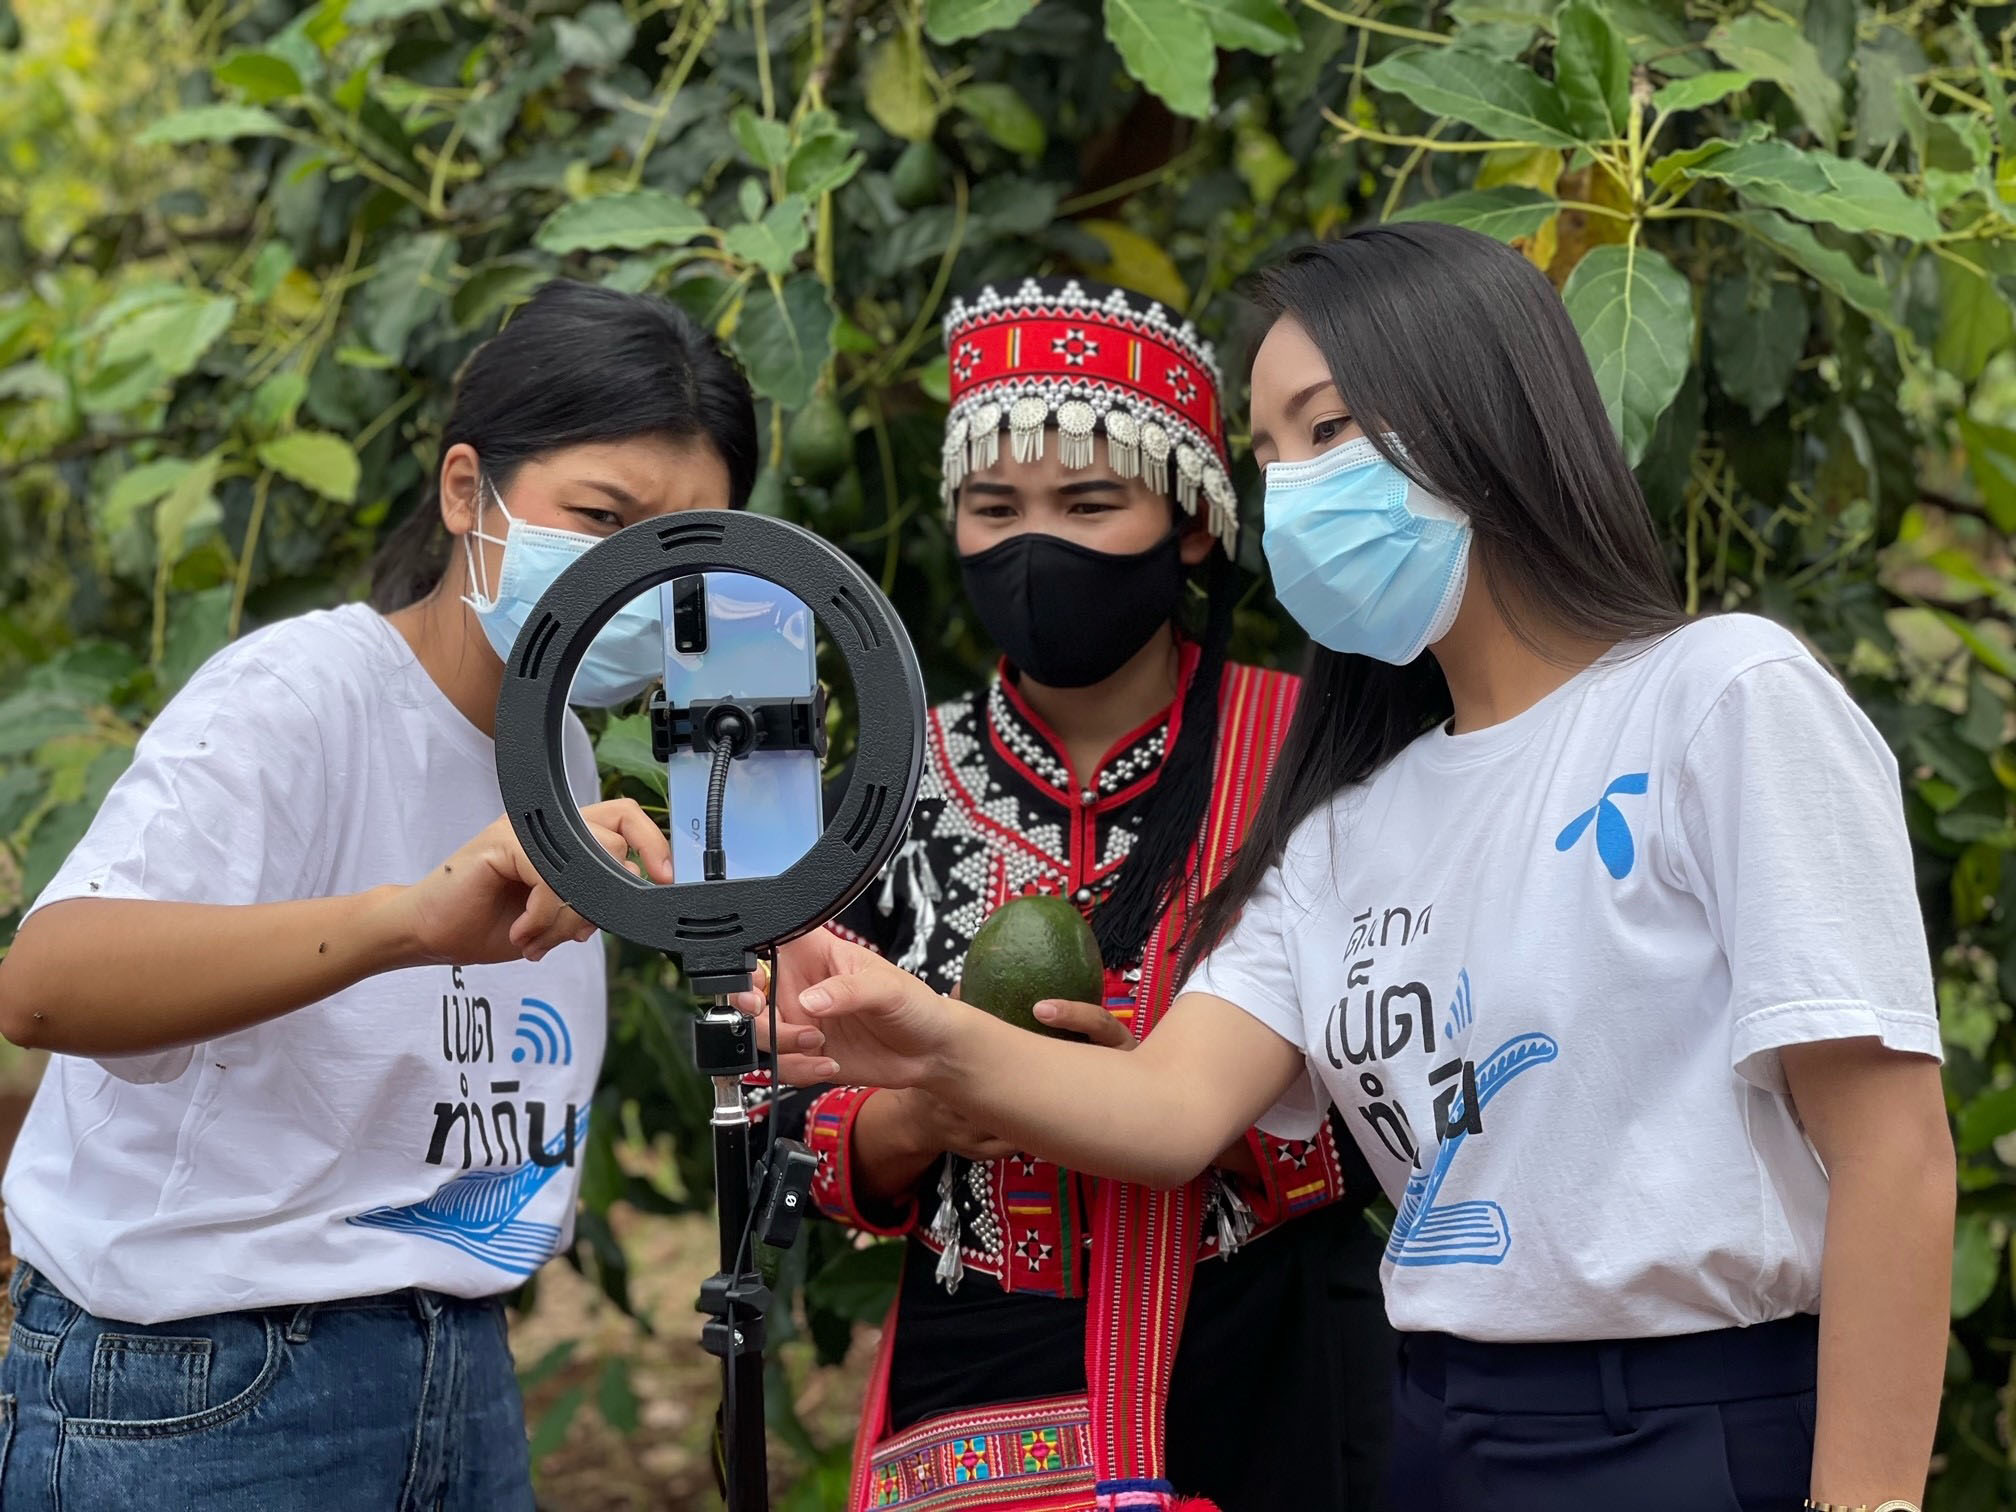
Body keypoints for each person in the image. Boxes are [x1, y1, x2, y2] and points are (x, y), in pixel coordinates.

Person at [748, 226, 1955, 1512]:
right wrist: (913, 1034)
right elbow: (1165, 1113)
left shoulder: (1720, 698)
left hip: (1682, 1420)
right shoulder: (1343, 820)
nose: (1297, 490)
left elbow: (1892, 1151)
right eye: (1271, 454)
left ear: (1478, 413)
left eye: (1325, 432)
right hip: (1437, 1424)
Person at [0, 280, 753, 1511]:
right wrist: (407, 922)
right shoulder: (302, 693)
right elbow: (44, 986)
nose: (628, 582)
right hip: (205, 1385)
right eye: (599, 517)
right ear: (469, 493)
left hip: (451, 1362)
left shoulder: (558, 751)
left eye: (679, 554)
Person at [772, 276, 1392, 1512]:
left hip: (1267, 1361)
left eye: (1090, 502)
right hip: (982, 1369)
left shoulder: (1311, 755)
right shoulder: (894, 776)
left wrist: (1194, 1098)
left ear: (1197, 524)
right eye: (993, 506)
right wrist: (923, 1119)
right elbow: (786, 1102)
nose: (1031, 543)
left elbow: (1406, 1078)